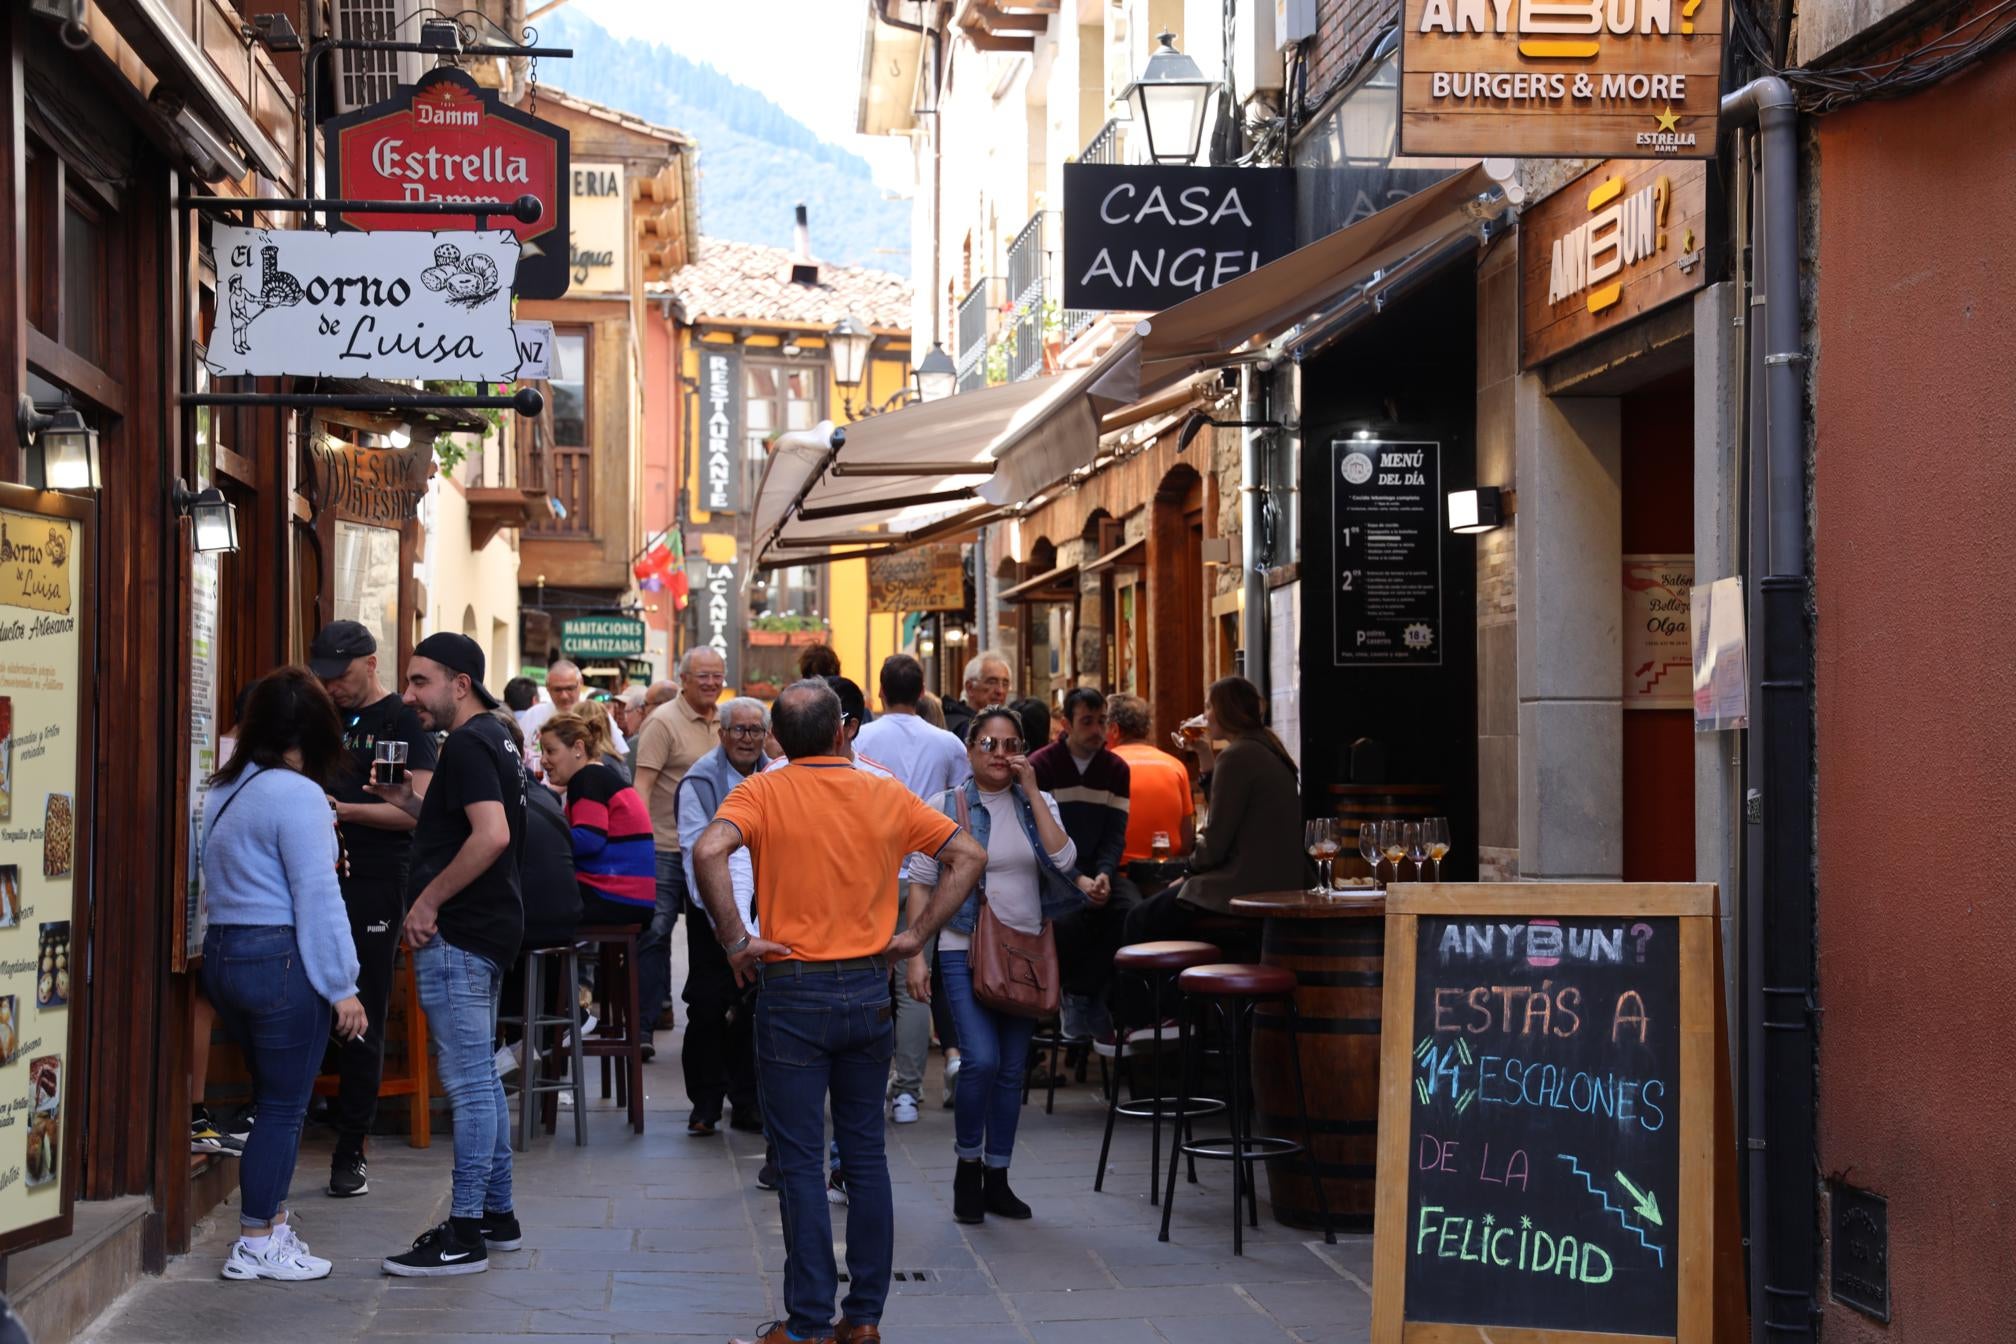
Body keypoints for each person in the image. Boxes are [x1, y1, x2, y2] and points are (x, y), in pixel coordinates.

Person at [693, 681, 986, 1344]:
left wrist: (735, 938)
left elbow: (707, 850)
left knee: (799, 1161)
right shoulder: (883, 790)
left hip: (792, 989)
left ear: (778, 741)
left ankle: (806, 1324)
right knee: (865, 1156)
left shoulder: (762, 791)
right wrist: (917, 935)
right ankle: (865, 1319)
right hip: (864, 989)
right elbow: (968, 854)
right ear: (840, 733)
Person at [367, 633, 527, 1278]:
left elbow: (491, 835)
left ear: (460, 683)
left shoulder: (466, 741)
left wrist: (427, 902)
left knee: (466, 1081)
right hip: (488, 927)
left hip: (461, 930)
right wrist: (410, 804)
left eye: (419, 682)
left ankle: (463, 1232)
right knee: (481, 1076)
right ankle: (496, 1214)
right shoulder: (499, 735)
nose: (409, 697)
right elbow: (470, 820)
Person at [199, 668, 367, 1282]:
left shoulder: (224, 787)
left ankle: (269, 1227)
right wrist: (343, 984)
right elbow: (318, 896)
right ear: (319, 728)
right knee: (282, 1107)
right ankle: (256, 1241)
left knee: (272, 1101)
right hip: (279, 959)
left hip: (223, 954)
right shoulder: (298, 795)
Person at [908, 707, 1096, 1224]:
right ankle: (967, 1166)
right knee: (982, 1061)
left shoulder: (1040, 802)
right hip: (961, 947)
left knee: (1013, 1071)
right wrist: (917, 959)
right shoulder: (944, 806)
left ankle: (998, 1176)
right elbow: (921, 881)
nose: (999, 754)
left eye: (1010, 744)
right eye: (988, 744)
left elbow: (1063, 861)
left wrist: (1033, 791)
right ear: (969, 750)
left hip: (1027, 949)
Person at [310, 620, 439, 1199]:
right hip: (314, 871)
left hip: (378, 877)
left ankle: (351, 1147)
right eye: (324, 677)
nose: (332, 687)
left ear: (369, 663)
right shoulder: (319, 714)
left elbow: (419, 811)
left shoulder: (403, 723)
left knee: (363, 1005)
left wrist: (345, 812)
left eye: (340, 676)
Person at [856, 655, 971, 1124]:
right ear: (923, 692)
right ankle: (906, 1090)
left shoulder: (859, 739)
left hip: (872, 873)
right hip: (926, 871)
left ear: (880, 693)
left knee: (867, 978)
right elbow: (959, 807)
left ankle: (867, 1083)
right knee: (914, 983)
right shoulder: (946, 743)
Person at [1123, 676, 1304, 963]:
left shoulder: (1238, 755)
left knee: (1139, 919)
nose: (1205, 714)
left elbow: (1217, 842)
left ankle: (1158, 1005)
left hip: (1246, 882)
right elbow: (1226, 806)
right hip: (1279, 879)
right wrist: (1204, 753)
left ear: (1225, 710)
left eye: (1209, 706)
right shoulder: (1265, 747)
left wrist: (1188, 873)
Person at [675, 698, 770, 1137]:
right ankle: (706, 1103)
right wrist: (720, 921)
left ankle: (748, 1100)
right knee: (708, 1004)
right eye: (739, 730)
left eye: (756, 730)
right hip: (710, 909)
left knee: (755, 1005)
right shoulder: (700, 780)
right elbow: (696, 854)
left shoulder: (777, 775)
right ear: (723, 734)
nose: (747, 739)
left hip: (763, 909)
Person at [630, 647, 728, 1055]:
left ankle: (721, 1023)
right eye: (702, 676)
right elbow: (642, 787)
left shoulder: (729, 720)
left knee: (719, 932)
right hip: (667, 845)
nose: (710, 683)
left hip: (721, 848)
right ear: (683, 679)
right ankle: (644, 1028)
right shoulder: (662, 723)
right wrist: (638, 843)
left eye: (716, 676)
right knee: (654, 933)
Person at [1030, 687, 1134, 1043]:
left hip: (1099, 868)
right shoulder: (1042, 766)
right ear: (1066, 724)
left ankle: (1090, 995)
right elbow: (1039, 836)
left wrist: (1103, 874)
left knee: (1131, 914)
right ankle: (1075, 995)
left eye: (1102, 721)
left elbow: (1115, 834)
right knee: (1065, 920)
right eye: (1087, 721)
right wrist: (1076, 878)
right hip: (1053, 871)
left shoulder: (1116, 770)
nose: (1096, 729)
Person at [539, 706, 656, 925]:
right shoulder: (599, 775)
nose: (543, 760)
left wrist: (543, 841)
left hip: (613, 896)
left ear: (578, 748)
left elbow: (590, 839)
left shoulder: (588, 778)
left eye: (550, 751)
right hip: (631, 897)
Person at [1108, 694, 1195, 862]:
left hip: (1118, 876)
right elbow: (1186, 840)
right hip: (1169, 875)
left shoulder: (1106, 766)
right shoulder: (1176, 766)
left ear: (1114, 730)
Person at [942, 651, 1013, 743]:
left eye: (1005, 683)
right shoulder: (965, 728)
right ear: (970, 688)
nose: (1000, 691)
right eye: (991, 682)